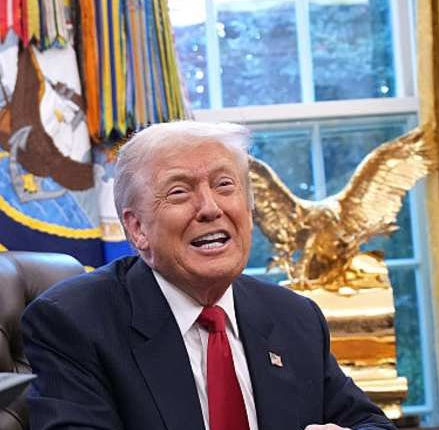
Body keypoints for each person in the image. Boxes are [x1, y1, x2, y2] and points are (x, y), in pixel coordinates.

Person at [20, 121, 395, 430]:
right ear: (137, 229)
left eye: (224, 185)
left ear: (249, 210)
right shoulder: (74, 322)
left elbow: (369, 423)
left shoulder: (294, 317)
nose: (210, 208)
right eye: (180, 192)